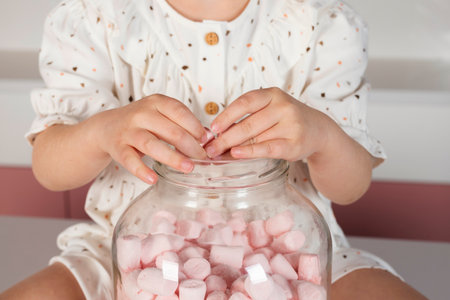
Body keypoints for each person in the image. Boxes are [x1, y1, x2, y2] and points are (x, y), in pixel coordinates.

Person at [0, 0, 427, 299]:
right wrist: (99, 133)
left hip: (291, 257)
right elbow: (49, 166)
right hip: (123, 253)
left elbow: (350, 186)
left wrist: (323, 137)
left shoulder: (322, 24)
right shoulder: (94, 18)